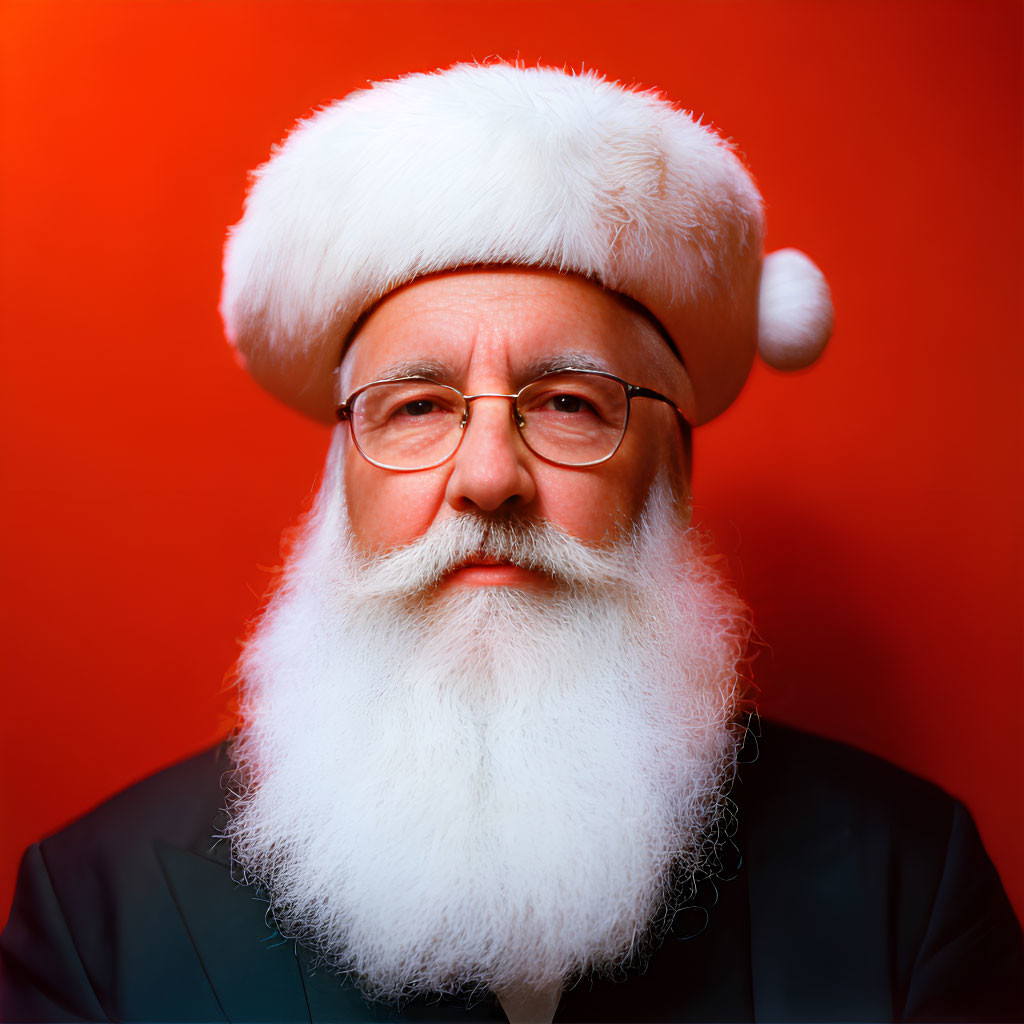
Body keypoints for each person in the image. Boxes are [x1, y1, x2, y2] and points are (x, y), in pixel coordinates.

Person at [1, 62, 1020, 1024]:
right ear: (338, 483)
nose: (488, 476)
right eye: (417, 407)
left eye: (569, 402)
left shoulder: (908, 889)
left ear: (669, 471)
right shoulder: (98, 916)